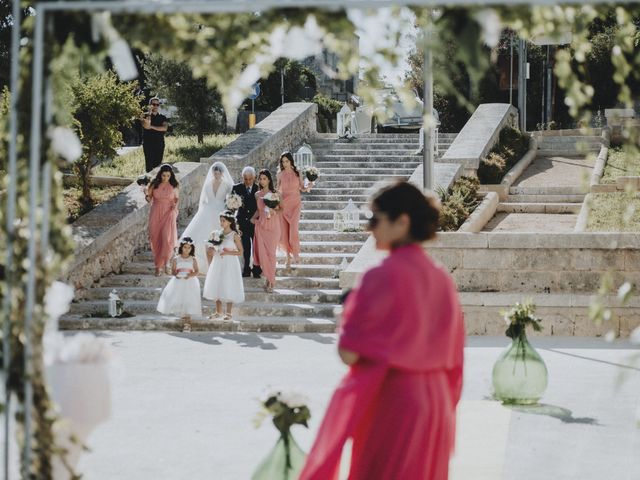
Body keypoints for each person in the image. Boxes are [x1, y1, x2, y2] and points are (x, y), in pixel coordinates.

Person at [299, 181, 465, 480]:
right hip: (436, 404)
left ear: (402, 222)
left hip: (394, 401)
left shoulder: (379, 275)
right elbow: (456, 358)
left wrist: (343, 317)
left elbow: (349, 353)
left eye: (375, 219)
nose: (369, 228)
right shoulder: (442, 279)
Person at [181, 162, 233, 272]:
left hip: (220, 211)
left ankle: (221, 263)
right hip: (207, 211)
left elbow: (232, 198)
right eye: (215, 173)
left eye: (218, 173)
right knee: (204, 236)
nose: (216, 175)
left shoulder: (227, 185)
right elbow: (203, 199)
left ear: (222, 173)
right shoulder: (208, 184)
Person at [203, 211, 245, 320]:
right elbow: (213, 247)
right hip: (218, 261)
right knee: (217, 283)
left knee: (229, 283)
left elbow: (240, 251)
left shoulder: (234, 235)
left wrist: (227, 253)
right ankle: (218, 311)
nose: (221, 223)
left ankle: (229, 313)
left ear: (230, 221)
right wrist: (211, 249)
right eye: (220, 221)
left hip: (230, 263)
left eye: (223, 221)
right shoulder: (217, 233)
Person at [157, 237, 201, 332]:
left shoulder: (193, 259)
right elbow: (173, 270)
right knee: (180, 298)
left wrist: (190, 275)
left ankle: (188, 323)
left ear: (191, 248)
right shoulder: (176, 259)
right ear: (181, 247)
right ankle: (183, 316)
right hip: (178, 281)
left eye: (189, 248)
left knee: (189, 299)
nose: (187, 249)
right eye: (185, 247)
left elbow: (197, 271)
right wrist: (175, 274)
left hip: (189, 281)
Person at [276, 151, 310, 269]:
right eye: (283, 162)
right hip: (284, 205)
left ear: (291, 161)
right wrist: (274, 201)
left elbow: (302, 187)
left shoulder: (297, 172)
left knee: (293, 230)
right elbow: (277, 190)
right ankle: (288, 257)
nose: (285, 164)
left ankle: (295, 253)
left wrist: (309, 185)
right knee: (284, 232)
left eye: (287, 161)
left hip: (295, 204)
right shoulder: (280, 174)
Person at [251, 169, 281, 293]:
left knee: (271, 254)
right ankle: (268, 278)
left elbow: (281, 209)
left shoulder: (275, 193)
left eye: (264, 178)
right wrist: (253, 217)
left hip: (273, 226)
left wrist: (274, 211)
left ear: (269, 179)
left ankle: (271, 282)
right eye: (261, 179)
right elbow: (259, 209)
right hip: (261, 225)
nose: (262, 181)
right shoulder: (257, 194)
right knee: (263, 254)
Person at [146, 164, 179, 276]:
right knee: (156, 240)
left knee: (166, 238)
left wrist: (175, 206)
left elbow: (177, 199)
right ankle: (158, 266)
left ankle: (166, 263)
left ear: (171, 176)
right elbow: (148, 199)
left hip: (168, 213)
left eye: (168, 176)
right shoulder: (154, 184)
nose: (165, 178)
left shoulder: (174, 185)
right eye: (164, 175)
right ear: (160, 174)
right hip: (155, 213)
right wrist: (145, 193)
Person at [231, 166, 262, 278]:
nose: (248, 181)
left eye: (250, 179)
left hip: (255, 222)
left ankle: (257, 268)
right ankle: (246, 268)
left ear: (254, 177)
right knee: (245, 247)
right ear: (242, 177)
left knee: (256, 246)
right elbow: (231, 205)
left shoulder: (259, 189)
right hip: (242, 222)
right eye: (245, 179)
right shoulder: (236, 188)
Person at [141, 97, 169, 172]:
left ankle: (157, 182)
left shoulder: (162, 117)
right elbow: (146, 126)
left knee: (158, 165)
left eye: (157, 104)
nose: (156, 106)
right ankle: (149, 182)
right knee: (149, 165)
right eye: (154, 104)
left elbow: (164, 128)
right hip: (148, 144)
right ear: (150, 105)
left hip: (159, 143)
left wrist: (152, 127)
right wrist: (149, 113)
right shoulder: (144, 115)